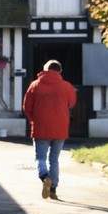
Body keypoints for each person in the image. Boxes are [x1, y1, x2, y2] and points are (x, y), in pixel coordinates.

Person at [22, 60, 76, 199]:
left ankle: (45, 176)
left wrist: (33, 119)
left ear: (45, 70)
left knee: (40, 158)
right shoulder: (67, 86)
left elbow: (27, 107)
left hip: (41, 127)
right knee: (54, 160)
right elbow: (71, 103)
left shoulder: (35, 85)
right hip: (60, 128)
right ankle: (53, 189)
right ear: (60, 71)